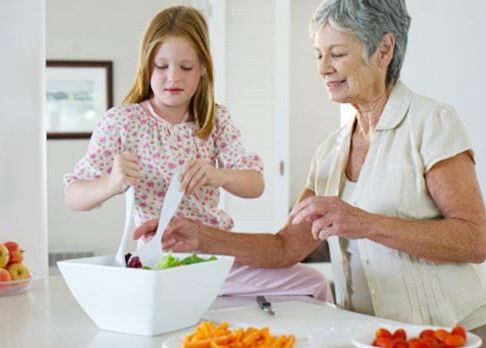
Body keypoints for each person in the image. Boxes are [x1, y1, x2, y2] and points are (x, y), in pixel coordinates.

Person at [134, 0, 486, 348]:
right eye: (318, 54)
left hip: (452, 335)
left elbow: (473, 240)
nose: (323, 68)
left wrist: (366, 224)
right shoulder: (331, 151)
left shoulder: (431, 123)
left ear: (384, 50)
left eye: (337, 54)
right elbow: (284, 248)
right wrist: (199, 236)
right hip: (374, 338)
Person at [64, 6, 332, 303]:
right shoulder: (123, 121)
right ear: (146, 66)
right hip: (162, 261)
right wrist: (111, 184)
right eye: (161, 66)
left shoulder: (215, 120)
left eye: (186, 67)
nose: (173, 78)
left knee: (313, 282)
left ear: (203, 67)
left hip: (216, 255)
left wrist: (218, 174)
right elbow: (73, 196)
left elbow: (255, 185)